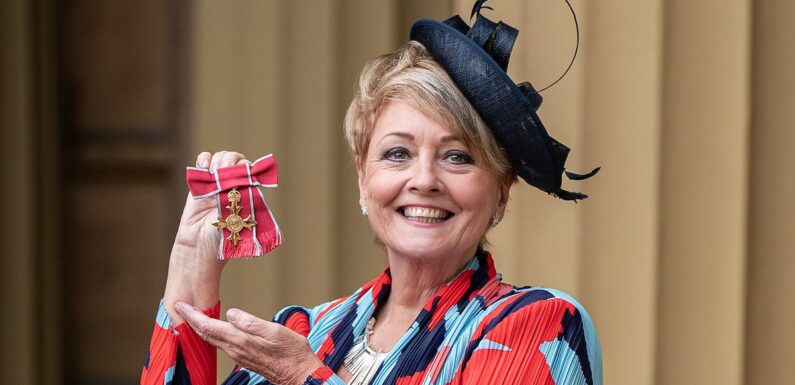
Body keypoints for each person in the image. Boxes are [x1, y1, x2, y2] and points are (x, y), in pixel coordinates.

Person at [141, 3, 601, 385]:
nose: (424, 180)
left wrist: (305, 377)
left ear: (501, 193)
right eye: (398, 153)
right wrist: (191, 265)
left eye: (457, 156)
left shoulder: (540, 325)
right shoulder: (307, 330)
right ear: (363, 178)